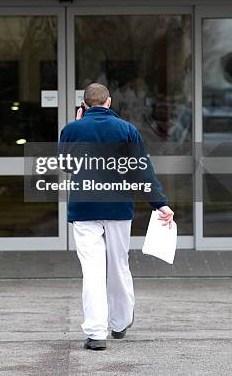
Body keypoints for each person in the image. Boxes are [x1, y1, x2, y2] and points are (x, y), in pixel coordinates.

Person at [59, 83, 174, 351]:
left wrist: (76, 126)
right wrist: (160, 204)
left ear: (84, 105)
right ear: (108, 102)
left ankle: (96, 333)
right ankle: (120, 323)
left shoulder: (72, 129)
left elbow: (65, 165)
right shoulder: (126, 130)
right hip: (119, 208)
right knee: (119, 265)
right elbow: (141, 171)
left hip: (85, 209)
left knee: (92, 270)